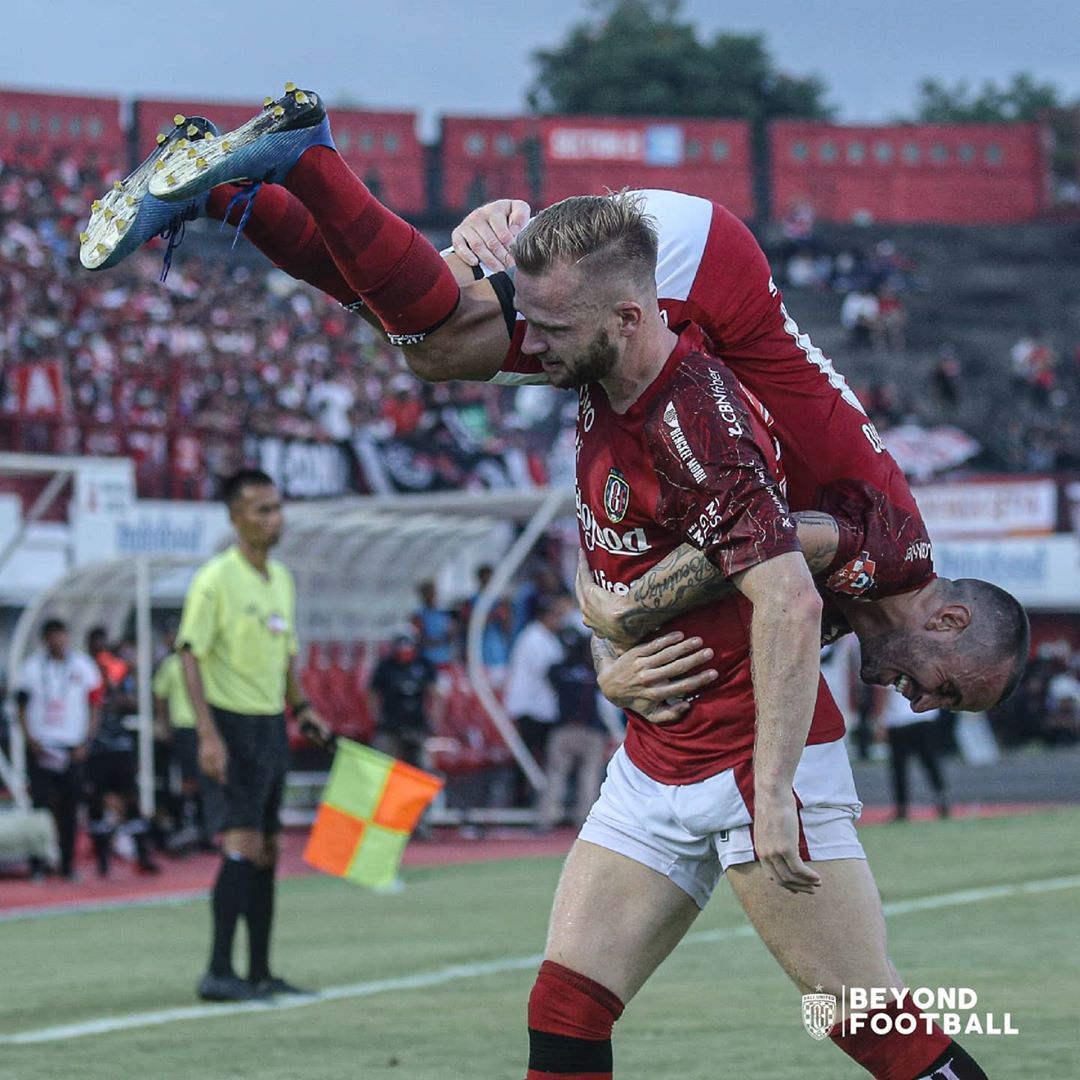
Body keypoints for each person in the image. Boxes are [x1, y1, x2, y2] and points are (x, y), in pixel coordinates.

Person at [83, 85, 1027, 707]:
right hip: (699, 286)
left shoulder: (845, 610)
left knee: (428, 339)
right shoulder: (892, 554)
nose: (922, 701)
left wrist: (619, 650)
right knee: (444, 341)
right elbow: (778, 547)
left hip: (691, 303)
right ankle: (301, 152)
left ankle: (225, 189)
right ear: (948, 621)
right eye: (949, 688)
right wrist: (614, 617)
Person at [500, 194, 990, 1080]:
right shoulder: (598, 382)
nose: (529, 347)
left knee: (872, 1027)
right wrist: (610, 649)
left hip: (752, 760)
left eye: (549, 327)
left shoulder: (699, 416)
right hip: (655, 760)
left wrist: (771, 792)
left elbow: (793, 598)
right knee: (564, 1007)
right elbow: (608, 565)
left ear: (627, 315)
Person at [177, 468, 332, 1003]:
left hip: (270, 723)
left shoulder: (281, 579)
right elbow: (189, 654)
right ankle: (218, 971)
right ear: (235, 517)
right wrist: (207, 735)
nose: (273, 518)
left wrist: (303, 707)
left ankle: (261, 972)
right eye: (261, 509)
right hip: (230, 722)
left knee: (268, 848)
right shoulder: (215, 579)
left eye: (276, 507)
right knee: (241, 843)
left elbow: (286, 654)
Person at [15, 618, 102, 880]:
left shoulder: (83, 666)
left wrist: (86, 741)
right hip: (42, 746)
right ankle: (38, 863)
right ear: (45, 639)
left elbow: (96, 705)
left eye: (61, 635)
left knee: (70, 808)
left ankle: (67, 864)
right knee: (40, 806)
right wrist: (30, 740)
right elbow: (19, 706)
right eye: (53, 636)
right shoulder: (31, 668)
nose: (58, 641)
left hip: (71, 746)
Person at [85, 627, 159, 877]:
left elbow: (133, 699)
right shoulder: (83, 672)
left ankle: (143, 854)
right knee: (97, 803)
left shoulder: (117, 670)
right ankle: (103, 861)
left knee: (131, 799)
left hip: (120, 746)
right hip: (95, 749)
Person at [537, 629, 612, 832]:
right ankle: (586, 820)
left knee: (556, 776)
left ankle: (547, 819)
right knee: (589, 777)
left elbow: (551, 682)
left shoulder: (557, 669)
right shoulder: (594, 672)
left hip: (564, 729)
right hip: (590, 730)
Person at [503, 594, 574, 801]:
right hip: (530, 707)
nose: (559, 621)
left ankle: (535, 797)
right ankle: (520, 799)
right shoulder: (533, 637)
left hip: (541, 707)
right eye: (556, 616)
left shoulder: (548, 638)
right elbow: (548, 672)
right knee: (528, 755)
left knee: (542, 755)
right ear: (545, 617)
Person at [153, 623, 216, 851]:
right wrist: (164, 723)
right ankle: (185, 827)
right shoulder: (171, 664)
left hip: (205, 728)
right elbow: (159, 694)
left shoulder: (207, 663)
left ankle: (204, 828)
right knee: (188, 781)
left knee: (207, 779)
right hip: (185, 728)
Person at [875, 690, 949, 821]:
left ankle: (902, 808)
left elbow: (883, 692)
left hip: (899, 720)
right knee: (930, 763)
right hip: (922, 716)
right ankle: (942, 800)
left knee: (900, 768)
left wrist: (881, 721)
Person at [368, 632, 437, 769]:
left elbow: (436, 693)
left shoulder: (424, 664)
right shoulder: (385, 666)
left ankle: (428, 789)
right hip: (390, 724)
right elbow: (372, 693)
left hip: (417, 724)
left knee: (425, 767)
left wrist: (433, 718)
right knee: (379, 763)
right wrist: (376, 716)